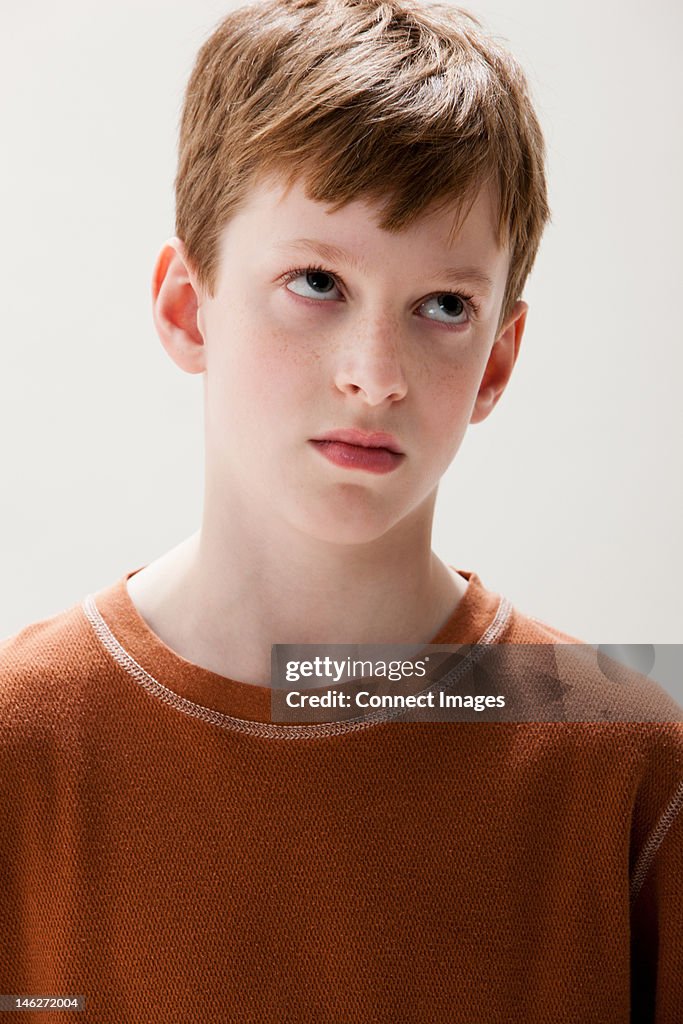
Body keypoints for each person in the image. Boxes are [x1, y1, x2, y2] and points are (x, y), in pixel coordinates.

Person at [1, 0, 681, 1019]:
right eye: (316, 281)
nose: (375, 374)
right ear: (188, 307)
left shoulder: (630, 765)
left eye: (443, 306)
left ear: (497, 359)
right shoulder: (20, 746)